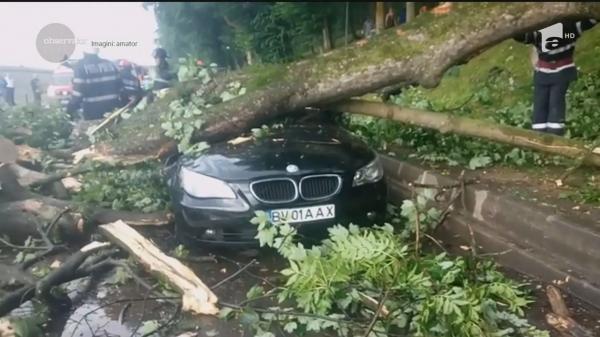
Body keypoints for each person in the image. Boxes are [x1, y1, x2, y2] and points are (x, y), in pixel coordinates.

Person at [514, 18, 597, 136]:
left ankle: (553, 136)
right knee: (542, 106)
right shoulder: (569, 29)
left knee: (555, 105)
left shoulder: (562, 30)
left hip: (560, 73)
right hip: (545, 73)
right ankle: (541, 136)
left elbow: (523, 36)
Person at [67, 46, 122, 120]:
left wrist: (70, 108)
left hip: (93, 111)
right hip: (113, 108)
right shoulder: (110, 64)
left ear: (84, 52)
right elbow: (120, 86)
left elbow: (78, 93)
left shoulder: (80, 66)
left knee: (95, 130)